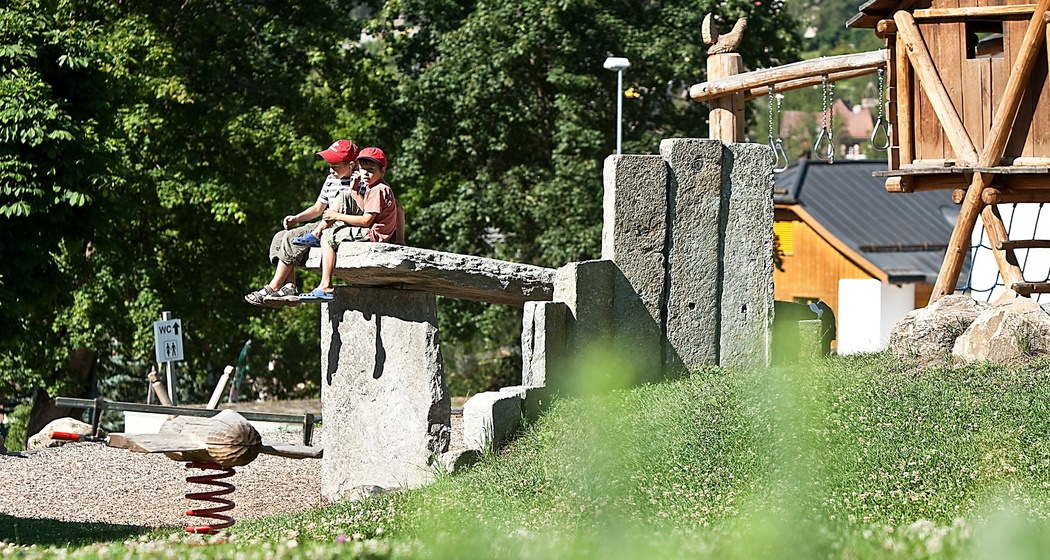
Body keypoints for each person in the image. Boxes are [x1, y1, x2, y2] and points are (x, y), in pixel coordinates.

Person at [243, 139, 359, 307]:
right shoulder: (330, 180)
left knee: (291, 237)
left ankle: (273, 286)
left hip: (339, 225)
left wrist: (355, 189)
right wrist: (297, 218)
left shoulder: (360, 181)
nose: (331, 170)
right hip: (324, 221)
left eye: (335, 166)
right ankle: (290, 286)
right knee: (280, 236)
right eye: (329, 166)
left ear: (351, 164)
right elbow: (318, 208)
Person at [298, 147, 402, 302]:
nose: (365, 173)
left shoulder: (376, 190)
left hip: (372, 234)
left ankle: (326, 285)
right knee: (345, 195)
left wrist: (337, 215)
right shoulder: (380, 187)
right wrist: (354, 192)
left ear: (382, 171)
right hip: (377, 233)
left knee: (328, 236)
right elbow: (398, 210)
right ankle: (317, 233)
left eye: (371, 170)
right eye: (362, 169)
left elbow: (367, 221)